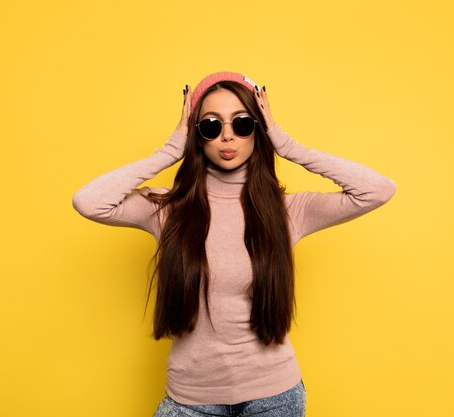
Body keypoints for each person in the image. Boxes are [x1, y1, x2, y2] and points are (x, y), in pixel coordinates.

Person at [72, 71, 396, 417]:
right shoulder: (167, 209)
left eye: (242, 124)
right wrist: (169, 151)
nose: (227, 136)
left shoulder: (287, 212)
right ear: (196, 137)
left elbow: (377, 190)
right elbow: (88, 201)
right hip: (190, 400)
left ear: (259, 129)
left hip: (274, 398)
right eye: (211, 126)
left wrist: (286, 145)